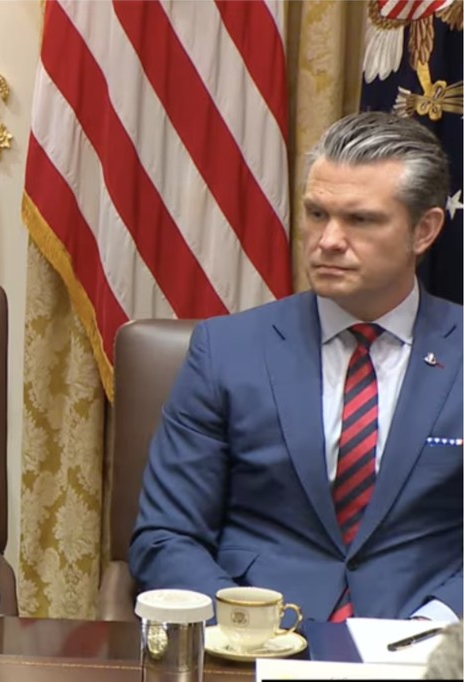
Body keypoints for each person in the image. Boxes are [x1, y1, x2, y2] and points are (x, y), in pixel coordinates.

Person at [130, 111, 462, 621]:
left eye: (361, 219)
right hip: (256, 636)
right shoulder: (226, 351)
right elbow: (166, 536)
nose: (328, 240)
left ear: (424, 230)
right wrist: (251, 628)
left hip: (426, 639)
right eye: (316, 214)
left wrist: (434, 627)